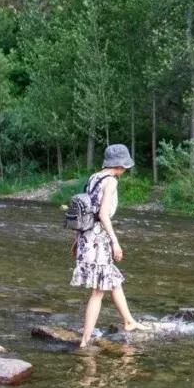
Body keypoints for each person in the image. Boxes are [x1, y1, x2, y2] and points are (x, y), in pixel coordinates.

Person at [71, 144, 147, 347]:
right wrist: (115, 242)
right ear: (120, 165)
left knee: (113, 280)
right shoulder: (111, 181)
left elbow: (86, 211)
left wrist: (76, 240)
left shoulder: (94, 177)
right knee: (98, 292)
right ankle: (85, 340)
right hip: (98, 240)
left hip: (86, 237)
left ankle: (129, 321)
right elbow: (103, 214)